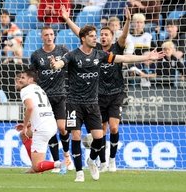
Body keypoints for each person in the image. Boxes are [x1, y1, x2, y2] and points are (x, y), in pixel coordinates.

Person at [50, 25, 164, 182]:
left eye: (95, 35)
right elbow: (61, 63)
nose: (95, 38)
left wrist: (145, 57)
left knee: (98, 138)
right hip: (74, 103)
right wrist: (56, 65)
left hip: (92, 103)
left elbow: (122, 58)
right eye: (91, 35)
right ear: (83, 38)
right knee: (76, 136)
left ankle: (91, 160)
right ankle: (79, 173)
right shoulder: (73, 55)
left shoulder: (100, 54)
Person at [62, 5, 131, 173]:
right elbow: (80, 32)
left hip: (115, 93)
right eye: (102, 35)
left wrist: (128, 20)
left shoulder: (116, 48)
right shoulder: (96, 49)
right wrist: (67, 19)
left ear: (112, 37)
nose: (103, 37)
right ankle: (101, 161)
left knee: (114, 127)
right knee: (100, 132)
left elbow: (123, 36)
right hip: (97, 95)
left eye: (107, 34)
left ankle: (112, 160)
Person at [29, 26, 73, 173]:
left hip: (60, 95)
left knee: (62, 128)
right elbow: (33, 76)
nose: (49, 37)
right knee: (51, 130)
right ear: (42, 37)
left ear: (54, 36)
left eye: (51, 34)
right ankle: (55, 162)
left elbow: (70, 66)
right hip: (44, 99)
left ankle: (67, 156)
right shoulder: (36, 55)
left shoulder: (62, 51)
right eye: (46, 34)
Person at [15, 69, 66, 174]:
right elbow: (39, 110)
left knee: (38, 167)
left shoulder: (25, 90)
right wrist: (28, 124)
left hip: (42, 129)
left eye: (23, 78)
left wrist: (25, 127)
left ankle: (59, 164)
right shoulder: (38, 88)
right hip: (51, 124)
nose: (19, 80)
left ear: (31, 80)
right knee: (24, 135)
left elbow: (30, 108)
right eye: (19, 78)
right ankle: (34, 165)